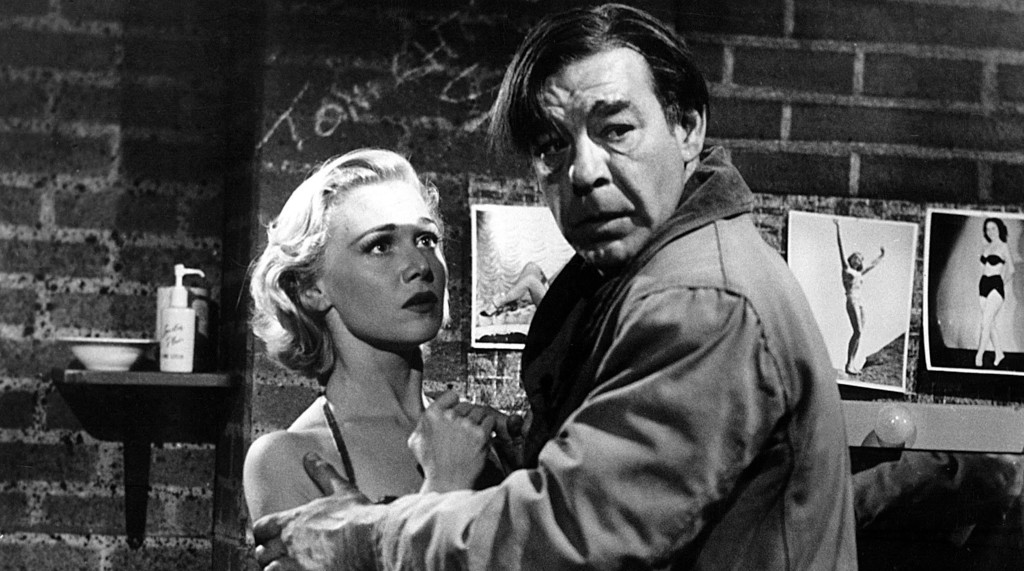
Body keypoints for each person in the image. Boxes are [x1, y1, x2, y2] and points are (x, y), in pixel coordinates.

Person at [252, 4, 857, 569]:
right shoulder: (301, 454)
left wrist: (375, 529)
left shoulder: (696, 300)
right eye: (551, 145)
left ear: (688, 129)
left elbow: (570, 528)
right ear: (310, 288)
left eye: (616, 129)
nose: (584, 172)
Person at [243, 148, 510, 521]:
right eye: (380, 246)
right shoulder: (292, 459)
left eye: (426, 240)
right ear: (311, 289)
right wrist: (445, 484)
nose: (420, 266)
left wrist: (525, 465)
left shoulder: (475, 436)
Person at [834, 218, 885, 375]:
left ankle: (852, 363)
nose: (859, 259)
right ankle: (849, 364)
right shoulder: (846, 269)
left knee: (860, 333)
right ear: (851, 259)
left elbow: (872, 265)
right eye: (856, 257)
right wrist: (838, 228)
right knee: (858, 331)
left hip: (860, 302)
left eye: (860, 258)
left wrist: (881, 256)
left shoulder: (859, 273)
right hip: (852, 300)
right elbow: (840, 248)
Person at [976, 217, 1014, 368]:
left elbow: (1011, 270)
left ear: (999, 229)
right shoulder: (986, 247)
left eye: (993, 228)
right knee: (989, 323)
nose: (990, 232)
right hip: (983, 286)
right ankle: (999, 353)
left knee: (985, 323)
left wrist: (1001, 283)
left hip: (995, 286)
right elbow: (982, 268)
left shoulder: (1003, 247)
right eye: (987, 229)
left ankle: (979, 356)